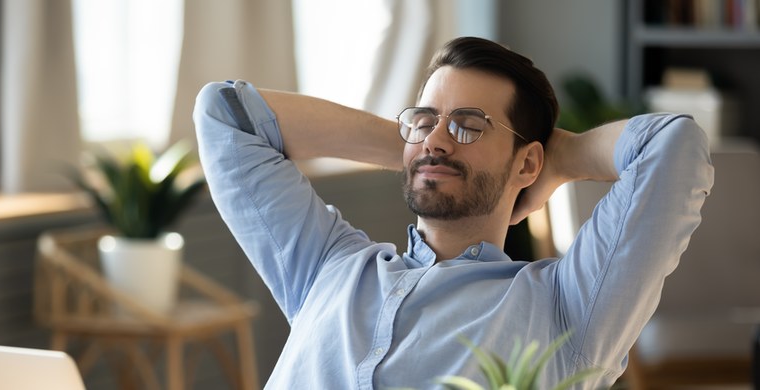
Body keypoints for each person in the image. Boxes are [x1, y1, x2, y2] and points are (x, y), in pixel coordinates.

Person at [192, 37, 713, 389]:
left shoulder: (567, 308)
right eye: (423, 119)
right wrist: (416, 149)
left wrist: (556, 161)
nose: (438, 138)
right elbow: (225, 114)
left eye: (469, 124)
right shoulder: (327, 265)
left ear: (527, 160)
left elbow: (674, 146)